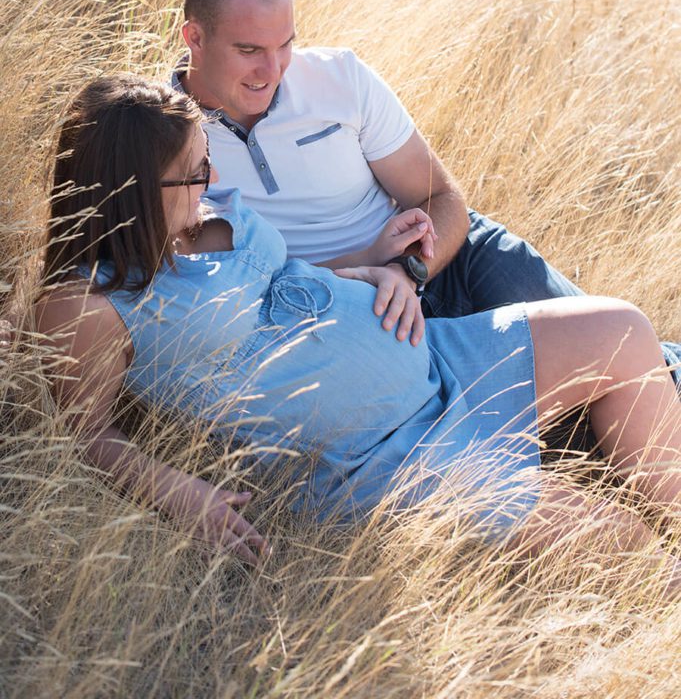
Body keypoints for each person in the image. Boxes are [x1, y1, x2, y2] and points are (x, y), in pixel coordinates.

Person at [36, 75, 681, 579]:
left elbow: (285, 284)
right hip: (379, 459)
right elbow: (86, 432)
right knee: (624, 541)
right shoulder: (89, 305)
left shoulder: (205, 211)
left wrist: (370, 266)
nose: (215, 179)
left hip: (438, 359)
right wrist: (177, 491)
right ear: (133, 189)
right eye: (196, 170)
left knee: (623, 329)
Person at [174, 0, 681, 387]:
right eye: (249, 50)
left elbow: (442, 199)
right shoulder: (169, 142)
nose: (274, 70)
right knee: (577, 424)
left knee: (629, 356)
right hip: (355, 318)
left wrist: (405, 268)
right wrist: (367, 272)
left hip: (449, 260)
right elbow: (222, 291)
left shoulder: (341, 79)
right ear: (194, 37)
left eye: (285, 44)